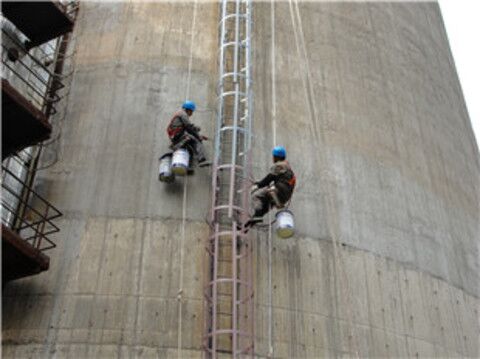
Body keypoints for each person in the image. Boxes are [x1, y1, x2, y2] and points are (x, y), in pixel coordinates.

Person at [244, 146, 296, 228]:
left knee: (256, 196)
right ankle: (250, 224)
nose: (273, 158)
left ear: (276, 157)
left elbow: (269, 178)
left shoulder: (279, 165)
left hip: (278, 191)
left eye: (273, 156)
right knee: (265, 206)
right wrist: (260, 183)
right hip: (284, 196)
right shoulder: (287, 166)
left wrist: (258, 185)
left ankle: (257, 217)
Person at [167, 101, 209, 168]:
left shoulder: (180, 113)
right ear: (188, 110)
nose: (192, 113)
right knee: (195, 140)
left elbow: (188, 127)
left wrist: (197, 131)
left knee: (194, 134)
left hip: (177, 135)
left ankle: (190, 164)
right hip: (177, 136)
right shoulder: (183, 114)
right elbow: (189, 128)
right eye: (192, 111)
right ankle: (201, 160)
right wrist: (198, 137)